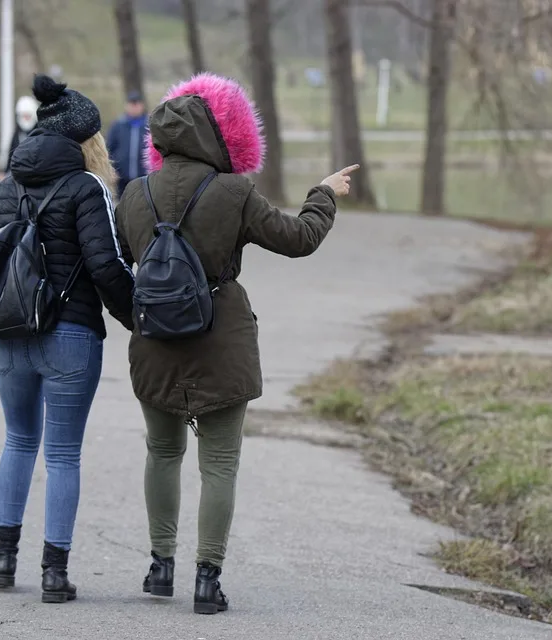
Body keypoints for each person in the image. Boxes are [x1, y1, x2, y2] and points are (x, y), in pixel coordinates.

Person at [114, 72, 358, 615]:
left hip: (153, 341)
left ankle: (160, 567)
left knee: (162, 452)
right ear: (216, 134)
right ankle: (207, 580)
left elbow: (117, 265)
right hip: (220, 340)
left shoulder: (134, 194)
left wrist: (130, 314)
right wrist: (323, 194)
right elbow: (299, 239)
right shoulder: (233, 191)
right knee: (219, 462)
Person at [0, 75, 135, 604]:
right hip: (71, 335)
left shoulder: (6, 187)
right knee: (63, 453)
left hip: (9, 335)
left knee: (18, 440)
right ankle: (54, 574)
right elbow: (107, 267)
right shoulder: (87, 188)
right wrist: (140, 320)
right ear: (88, 141)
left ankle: (2, 559)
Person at [106, 90, 148, 198]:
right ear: (126, 106)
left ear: (142, 106)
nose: (134, 107)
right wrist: (111, 170)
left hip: (144, 177)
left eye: (136, 104)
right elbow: (109, 149)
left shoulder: (149, 126)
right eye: (131, 104)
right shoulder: (117, 125)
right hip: (122, 178)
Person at [7, 95, 39, 167]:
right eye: (23, 116)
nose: (25, 118)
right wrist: (5, 170)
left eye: (27, 116)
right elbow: (11, 152)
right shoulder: (17, 133)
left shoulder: (39, 132)